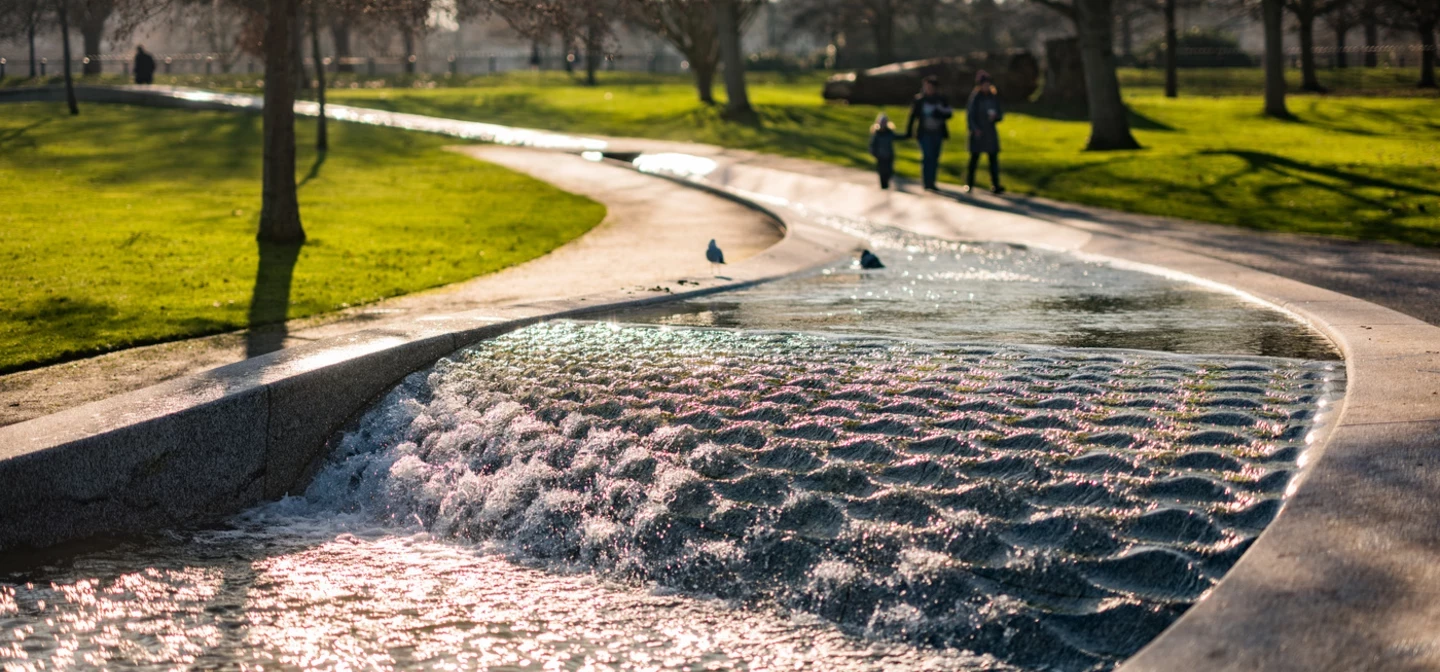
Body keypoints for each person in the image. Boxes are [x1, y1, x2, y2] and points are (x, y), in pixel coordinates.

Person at [904, 75, 952, 191]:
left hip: (938, 133)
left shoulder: (941, 99)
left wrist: (939, 113)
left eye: (930, 87)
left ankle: (932, 182)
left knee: (935, 157)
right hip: (924, 133)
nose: (928, 89)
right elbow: (912, 116)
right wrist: (909, 132)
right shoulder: (919, 100)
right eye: (926, 86)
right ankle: (926, 182)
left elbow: (949, 113)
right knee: (927, 156)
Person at [966, 70, 1005, 194]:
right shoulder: (975, 98)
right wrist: (974, 129)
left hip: (990, 132)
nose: (986, 87)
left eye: (988, 84)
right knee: (974, 159)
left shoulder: (993, 97)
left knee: (993, 160)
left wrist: (996, 117)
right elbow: (970, 115)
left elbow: (1000, 114)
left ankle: (995, 184)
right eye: (984, 84)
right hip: (978, 133)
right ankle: (970, 183)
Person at [868, 112, 898, 189]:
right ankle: (883, 184)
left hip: (889, 155)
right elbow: (872, 145)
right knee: (881, 171)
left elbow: (898, 137)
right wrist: (874, 153)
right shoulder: (876, 134)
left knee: (889, 170)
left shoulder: (889, 132)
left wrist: (909, 135)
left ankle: (887, 181)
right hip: (880, 156)